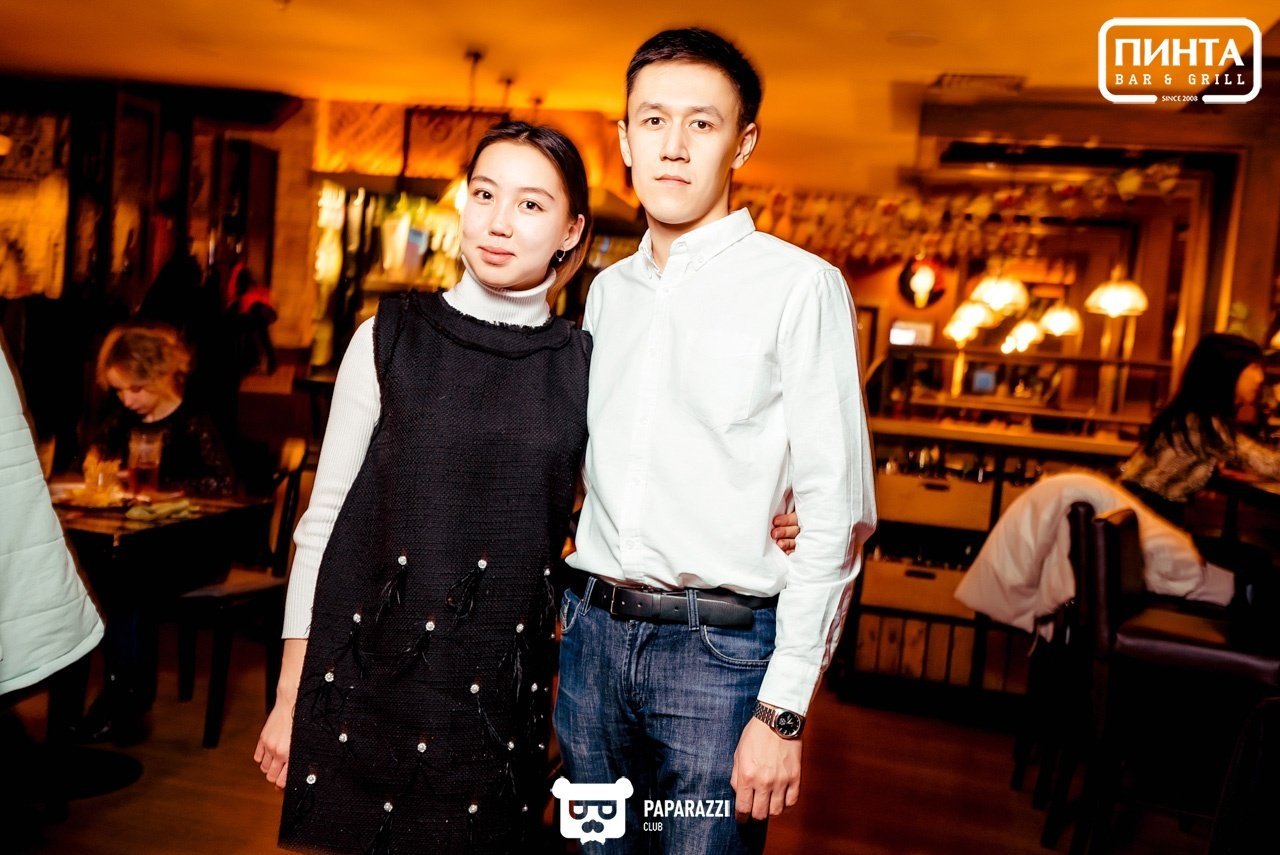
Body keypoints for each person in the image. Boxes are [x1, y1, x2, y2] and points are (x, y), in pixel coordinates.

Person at [555, 28, 876, 855]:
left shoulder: (801, 287)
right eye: (653, 120)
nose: (673, 145)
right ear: (625, 139)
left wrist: (783, 708)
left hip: (719, 659)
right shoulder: (605, 293)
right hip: (590, 645)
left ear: (743, 142)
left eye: (702, 123)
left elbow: (837, 513)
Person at [253, 122, 593, 854]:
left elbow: (629, 507)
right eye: (484, 194)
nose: (499, 222)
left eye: (531, 205)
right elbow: (322, 524)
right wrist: (290, 693)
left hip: (499, 697)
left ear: (571, 231)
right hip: (371, 679)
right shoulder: (388, 335)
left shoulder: (583, 364)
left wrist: (768, 518)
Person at [1121, 332, 1280, 525]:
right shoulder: (1203, 423)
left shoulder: (1191, 414)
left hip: (1138, 510)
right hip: (1145, 516)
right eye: (1254, 367)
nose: (1260, 378)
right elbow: (1273, 466)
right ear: (1228, 370)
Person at [92, 322, 238, 497]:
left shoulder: (195, 419)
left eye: (136, 388)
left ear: (160, 376)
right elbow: (94, 465)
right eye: (119, 390)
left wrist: (158, 486)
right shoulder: (119, 419)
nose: (127, 401)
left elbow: (224, 484)